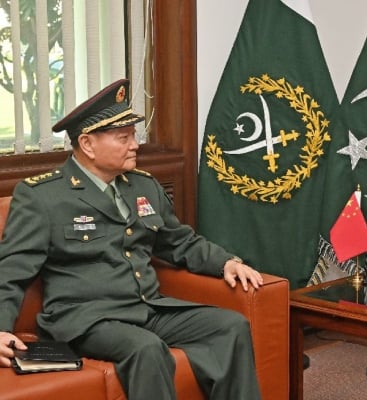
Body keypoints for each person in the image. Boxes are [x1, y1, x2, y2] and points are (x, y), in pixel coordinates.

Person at [0, 79, 264, 400]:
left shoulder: (143, 186)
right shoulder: (44, 196)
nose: (135, 144)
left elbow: (178, 242)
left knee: (229, 326)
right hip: (87, 318)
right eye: (123, 138)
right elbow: (12, 271)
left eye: (134, 136)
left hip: (146, 309)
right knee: (147, 349)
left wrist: (225, 262)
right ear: (87, 143)